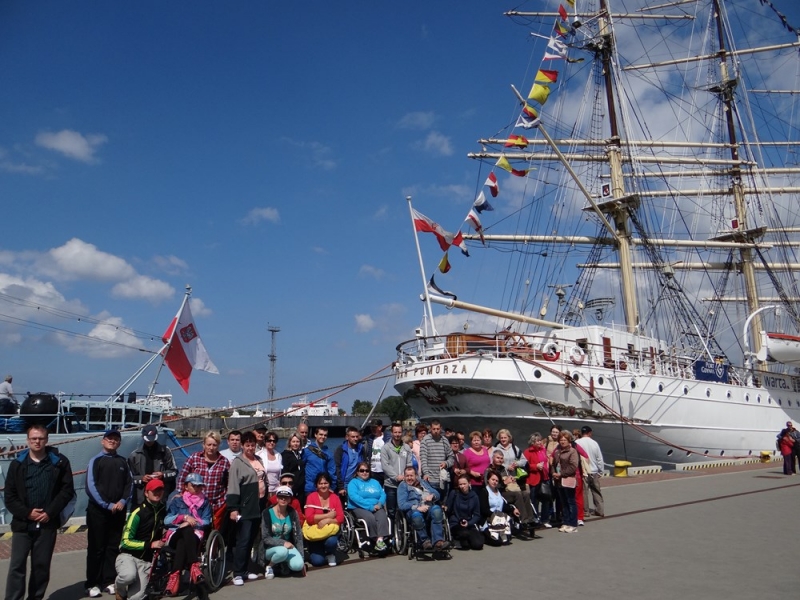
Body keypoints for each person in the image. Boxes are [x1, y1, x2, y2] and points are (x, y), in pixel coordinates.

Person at [4, 424, 75, 600]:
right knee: (17, 566)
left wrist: (50, 512)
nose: (37, 441)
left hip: (47, 523)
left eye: (41, 438)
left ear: (47, 440)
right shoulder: (17, 465)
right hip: (23, 523)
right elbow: (10, 496)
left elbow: (66, 491)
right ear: (28, 440)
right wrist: (27, 513)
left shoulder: (60, 463)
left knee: (41, 566)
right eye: (33, 438)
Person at [85, 430, 133, 598]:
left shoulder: (123, 462)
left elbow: (129, 484)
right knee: (96, 547)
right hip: (98, 511)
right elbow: (91, 486)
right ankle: (92, 583)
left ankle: (109, 580)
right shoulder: (95, 461)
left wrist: (123, 501)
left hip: (118, 511)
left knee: (112, 547)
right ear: (103, 441)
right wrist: (107, 504)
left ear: (119, 443)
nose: (112, 441)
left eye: (116, 439)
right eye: (109, 438)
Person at [227, 431, 267, 585]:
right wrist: (233, 508)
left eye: (252, 445)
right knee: (243, 540)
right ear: (242, 446)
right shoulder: (237, 462)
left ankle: (245, 570)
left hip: (259, 505)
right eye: (247, 445)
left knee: (251, 539)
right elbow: (233, 486)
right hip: (246, 507)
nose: (250, 448)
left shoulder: (258, 459)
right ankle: (237, 572)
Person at [115, 479, 165, 600]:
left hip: (146, 562)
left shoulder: (163, 510)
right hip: (128, 556)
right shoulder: (137, 513)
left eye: (160, 490)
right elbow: (125, 542)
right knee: (128, 576)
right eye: (154, 491)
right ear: (146, 493)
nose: (158, 493)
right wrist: (149, 545)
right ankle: (119, 588)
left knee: (136, 598)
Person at [163, 473, 212, 595]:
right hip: (176, 532)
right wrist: (183, 518)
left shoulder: (205, 502)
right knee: (185, 531)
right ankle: (194, 566)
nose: (197, 488)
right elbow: (166, 520)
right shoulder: (177, 501)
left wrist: (192, 522)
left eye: (199, 486)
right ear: (186, 486)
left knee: (186, 534)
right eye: (193, 485)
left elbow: (207, 521)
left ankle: (175, 576)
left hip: (195, 534)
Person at [177, 431, 230, 529]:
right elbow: (182, 477)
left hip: (216, 504)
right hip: (195, 503)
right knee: (194, 528)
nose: (211, 448)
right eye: (209, 444)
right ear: (204, 445)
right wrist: (181, 493)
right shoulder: (194, 458)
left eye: (214, 445)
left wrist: (225, 499)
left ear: (218, 446)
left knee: (214, 529)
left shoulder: (224, 462)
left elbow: (228, 483)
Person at [484, 449, 535, 534]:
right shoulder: (489, 470)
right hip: (497, 493)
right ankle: (524, 520)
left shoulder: (503, 469)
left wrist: (512, 480)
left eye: (501, 458)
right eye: (498, 458)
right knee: (517, 494)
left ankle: (531, 519)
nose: (500, 460)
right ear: (493, 458)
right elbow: (488, 486)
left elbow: (508, 481)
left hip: (507, 490)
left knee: (525, 493)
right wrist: (504, 483)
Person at [261, 486, 305, 578]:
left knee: (298, 565)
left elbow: (298, 537)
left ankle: (283, 563)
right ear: (277, 498)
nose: (283, 499)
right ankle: (269, 566)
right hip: (270, 548)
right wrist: (283, 543)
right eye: (281, 497)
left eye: (286, 497)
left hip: (288, 546)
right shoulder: (267, 513)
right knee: (282, 552)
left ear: (290, 499)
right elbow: (265, 538)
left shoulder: (293, 513)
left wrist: (302, 558)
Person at [397, 466, 446, 551]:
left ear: (416, 475)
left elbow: (437, 494)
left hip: (428, 506)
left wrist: (432, 496)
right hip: (413, 510)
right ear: (404, 477)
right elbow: (401, 504)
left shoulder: (423, 482)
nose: (409, 478)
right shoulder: (402, 486)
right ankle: (425, 541)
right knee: (416, 516)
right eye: (407, 476)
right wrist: (417, 507)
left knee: (437, 510)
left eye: (411, 475)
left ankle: (438, 541)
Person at [127, 425, 177, 506]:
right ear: (142, 437)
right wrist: (142, 478)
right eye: (148, 439)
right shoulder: (134, 455)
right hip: (140, 498)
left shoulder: (165, 451)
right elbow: (129, 478)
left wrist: (162, 475)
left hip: (160, 498)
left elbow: (174, 472)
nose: (150, 442)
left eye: (152, 439)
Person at [347, 461, 391, 553]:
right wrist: (370, 507)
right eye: (362, 470)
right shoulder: (353, 483)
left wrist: (380, 504)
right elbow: (354, 497)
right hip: (359, 507)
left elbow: (382, 494)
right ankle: (373, 539)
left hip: (376, 506)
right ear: (357, 472)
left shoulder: (375, 482)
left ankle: (380, 540)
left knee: (382, 516)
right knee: (370, 517)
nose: (364, 472)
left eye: (367, 470)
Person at [303, 472, 345, 567]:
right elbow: (309, 518)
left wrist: (327, 520)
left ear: (329, 484)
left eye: (325, 483)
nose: (323, 486)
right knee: (317, 562)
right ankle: (316, 550)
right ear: (316, 485)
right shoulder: (311, 497)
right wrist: (329, 515)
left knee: (331, 541)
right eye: (320, 483)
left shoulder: (335, 498)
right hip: (315, 533)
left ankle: (330, 553)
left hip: (330, 532)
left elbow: (340, 518)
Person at [380, 422, 413, 521]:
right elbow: (385, 466)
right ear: (392, 433)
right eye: (395, 432)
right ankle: (391, 530)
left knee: (404, 509)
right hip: (390, 484)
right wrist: (395, 476)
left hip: (404, 484)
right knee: (391, 511)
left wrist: (405, 476)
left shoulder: (406, 448)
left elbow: (409, 464)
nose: (397, 434)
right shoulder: (385, 448)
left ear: (402, 433)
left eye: (399, 432)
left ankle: (404, 528)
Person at [477, 471, 519, 546]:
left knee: (506, 541)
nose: (494, 482)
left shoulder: (498, 491)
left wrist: (513, 509)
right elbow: (483, 509)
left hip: (500, 520)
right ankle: (485, 535)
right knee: (497, 542)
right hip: (489, 520)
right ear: (488, 480)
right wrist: (494, 515)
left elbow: (503, 506)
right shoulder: (484, 491)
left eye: (496, 481)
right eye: (493, 480)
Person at [445, 474, 484, 551]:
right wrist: (445, 508)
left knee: (478, 545)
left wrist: (469, 523)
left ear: (469, 483)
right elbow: (448, 509)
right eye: (460, 484)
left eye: (464, 484)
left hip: (468, 523)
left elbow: (477, 515)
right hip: (455, 523)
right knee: (464, 535)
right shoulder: (454, 493)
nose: (462, 486)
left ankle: (467, 540)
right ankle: (457, 539)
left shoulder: (474, 496)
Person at [523, 433, 552, 528]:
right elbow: (525, 465)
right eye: (537, 441)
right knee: (534, 500)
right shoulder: (527, 452)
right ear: (532, 442)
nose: (539, 442)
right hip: (533, 478)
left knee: (546, 499)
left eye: (540, 440)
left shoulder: (543, 450)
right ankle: (534, 518)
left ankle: (545, 519)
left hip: (544, 478)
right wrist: (535, 466)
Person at [419, 420, 454, 501]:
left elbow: (451, 457)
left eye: (438, 429)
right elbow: (423, 459)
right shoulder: (425, 440)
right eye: (434, 429)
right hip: (431, 480)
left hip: (443, 479)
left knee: (443, 503)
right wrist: (426, 473)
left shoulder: (445, 440)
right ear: (431, 429)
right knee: (432, 503)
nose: (436, 431)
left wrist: (446, 463)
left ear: (440, 428)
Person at [552, 431, 579, 533]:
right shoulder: (557, 452)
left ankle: (573, 524)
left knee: (571, 502)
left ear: (569, 441)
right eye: (561, 440)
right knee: (563, 503)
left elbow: (573, 466)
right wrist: (553, 473)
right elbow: (553, 464)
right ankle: (566, 522)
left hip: (568, 479)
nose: (562, 442)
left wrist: (561, 474)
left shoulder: (572, 451)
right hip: (559, 481)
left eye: (565, 440)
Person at [575, 425, 605, 517]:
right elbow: (599, 459)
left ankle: (585, 511)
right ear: (590, 433)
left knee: (584, 492)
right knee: (596, 491)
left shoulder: (577, 442)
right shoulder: (594, 443)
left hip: (583, 471)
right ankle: (600, 510)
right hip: (594, 471)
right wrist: (601, 471)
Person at [302, 427, 336, 496]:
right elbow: (301, 468)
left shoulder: (329, 454)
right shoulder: (306, 451)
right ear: (315, 435)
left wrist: (332, 487)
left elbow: (332, 472)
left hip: (323, 487)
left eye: (325, 435)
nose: (323, 437)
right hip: (310, 488)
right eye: (321, 434)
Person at [334, 426, 365, 496]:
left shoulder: (361, 449)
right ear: (347, 437)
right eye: (353, 437)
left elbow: (364, 465)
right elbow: (337, 468)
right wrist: (340, 486)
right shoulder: (341, 450)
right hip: (344, 484)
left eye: (357, 437)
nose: (355, 439)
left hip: (357, 483)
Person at [364, 419, 390, 485]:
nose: (372, 429)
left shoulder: (387, 439)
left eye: (374, 427)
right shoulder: (369, 439)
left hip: (385, 471)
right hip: (373, 471)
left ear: (380, 427)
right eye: (371, 427)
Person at [281, 433, 305, 502]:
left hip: (300, 488)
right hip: (292, 487)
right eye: (293, 442)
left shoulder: (299, 454)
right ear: (289, 443)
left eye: (297, 442)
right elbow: (285, 472)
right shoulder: (285, 455)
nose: (295, 444)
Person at [257, 431, 282, 498]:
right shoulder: (259, 455)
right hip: (264, 490)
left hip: (276, 490)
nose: (272, 442)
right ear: (265, 441)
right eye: (269, 440)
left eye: (274, 441)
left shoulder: (278, 455)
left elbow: (280, 474)